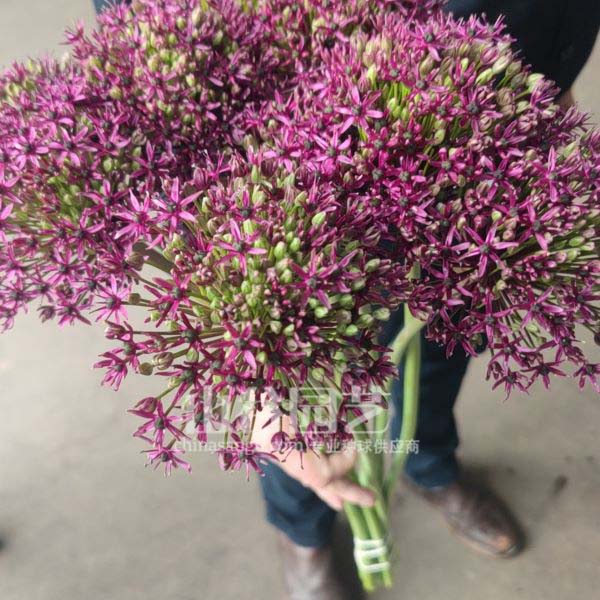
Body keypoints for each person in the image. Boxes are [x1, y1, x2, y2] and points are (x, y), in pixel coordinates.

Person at [92, 1, 599, 599]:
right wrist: (261, 363)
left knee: (446, 328)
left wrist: (548, 94)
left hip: (481, 98)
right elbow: (159, 64)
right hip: (312, 130)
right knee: (312, 394)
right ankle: (303, 530)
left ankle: (427, 463)